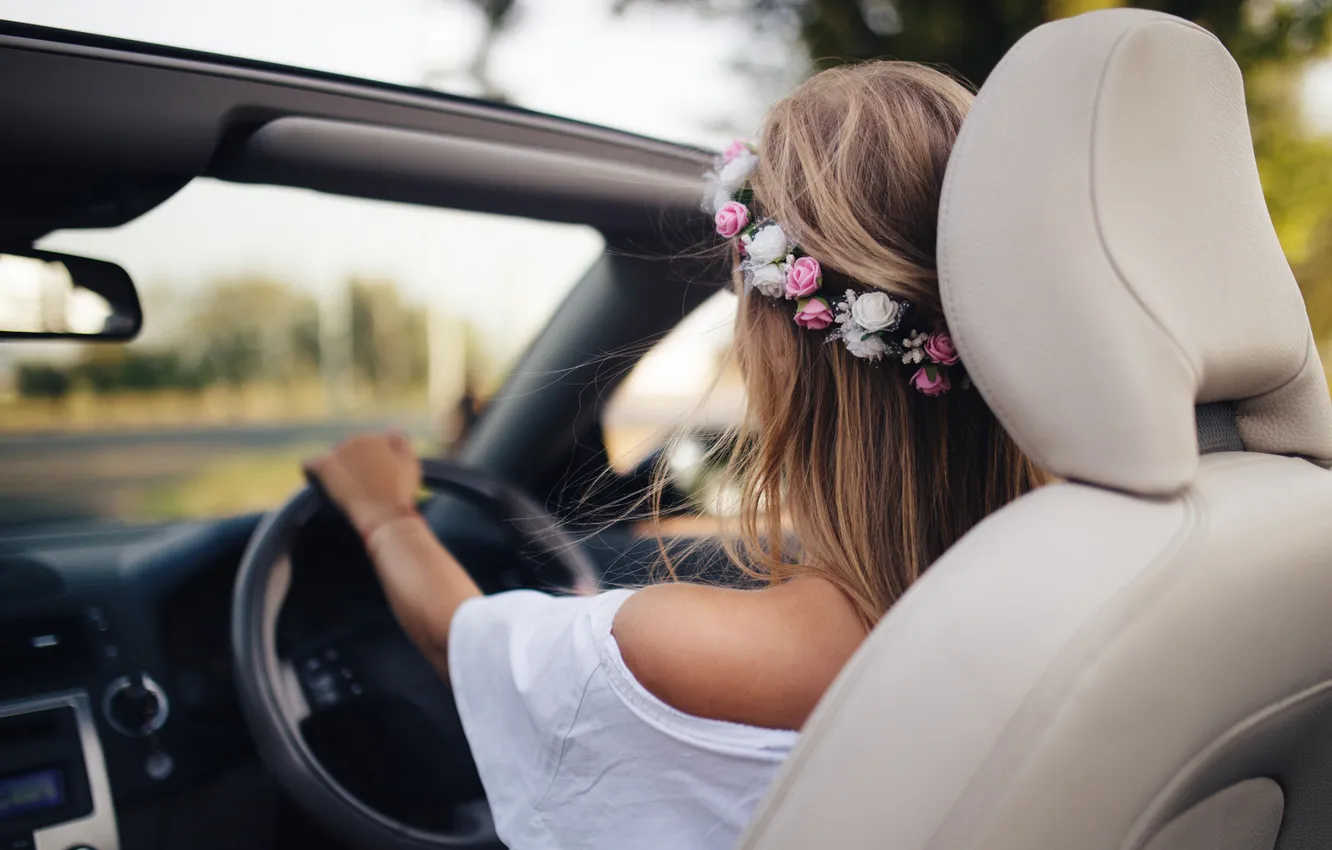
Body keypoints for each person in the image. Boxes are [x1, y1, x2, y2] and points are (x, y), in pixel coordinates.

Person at [305, 60, 1047, 850]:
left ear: (778, 348)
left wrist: (384, 513)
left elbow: (459, 641)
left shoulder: (671, 648)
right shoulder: (1097, 595)